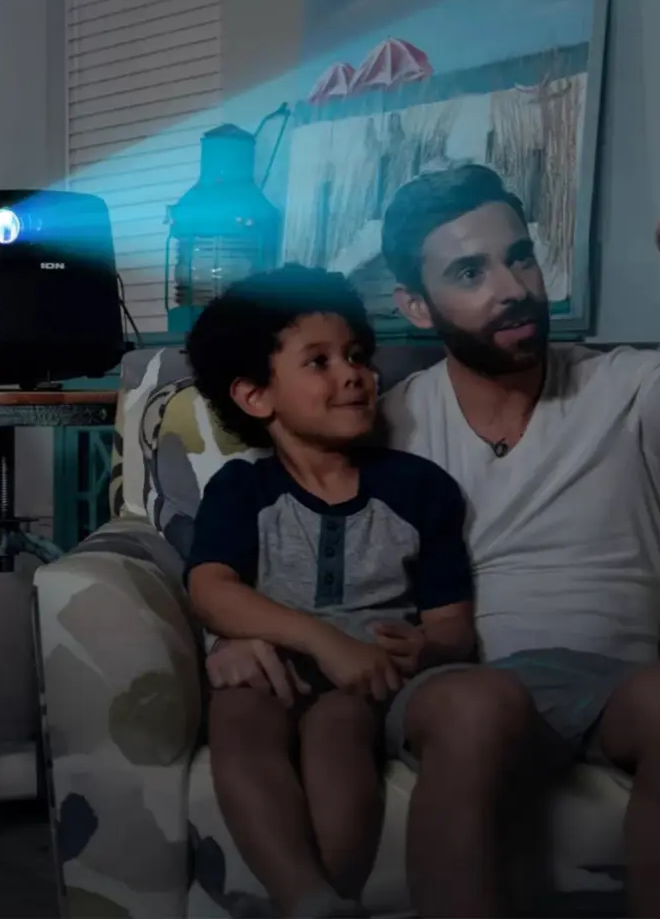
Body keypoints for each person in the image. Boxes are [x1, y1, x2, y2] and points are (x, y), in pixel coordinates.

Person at [208, 164, 660, 918]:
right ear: (416, 306)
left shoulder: (627, 388)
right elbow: (278, 518)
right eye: (469, 271)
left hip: (606, 683)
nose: (511, 287)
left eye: (519, 257)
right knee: (481, 705)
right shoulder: (382, 423)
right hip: (451, 687)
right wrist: (227, 630)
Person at [184, 266, 478, 919]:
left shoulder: (420, 490)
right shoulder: (242, 490)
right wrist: (319, 640)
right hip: (270, 668)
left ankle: (328, 899)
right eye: (318, 361)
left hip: (366, 684)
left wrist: (423, 651)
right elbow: (210, 589)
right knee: (238, 712)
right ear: (257, 396)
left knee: (339, 729)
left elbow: (454, 627)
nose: (354, 374)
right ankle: (304, 895)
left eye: (357, 356)